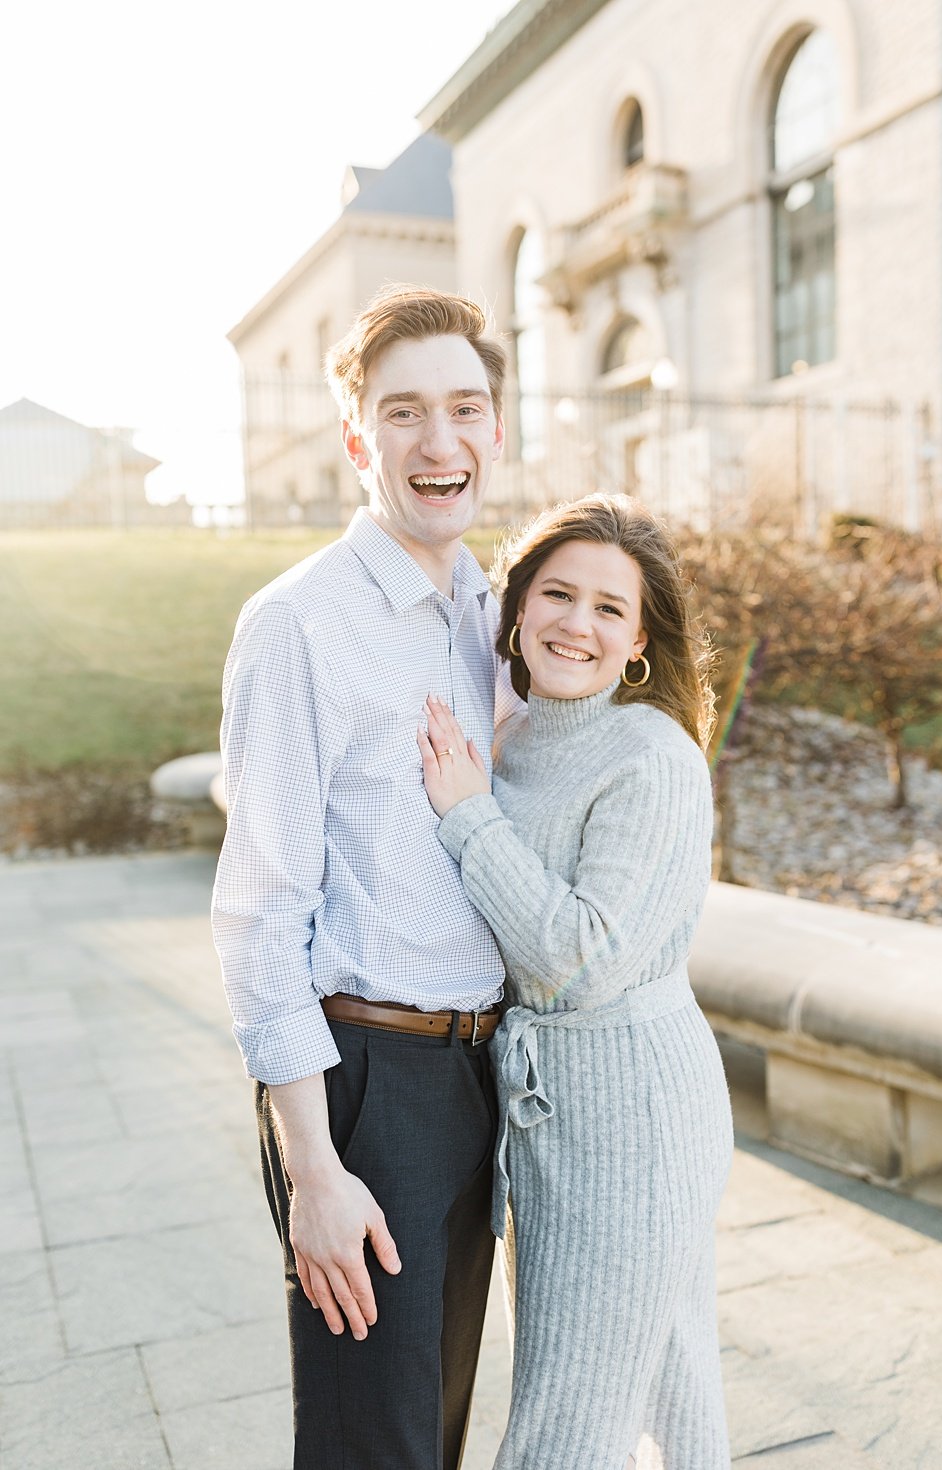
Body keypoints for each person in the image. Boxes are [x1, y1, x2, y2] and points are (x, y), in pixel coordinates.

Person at [212, 285, 514, 1470]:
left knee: (430, 1434)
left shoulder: (487, 608)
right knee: (368, 1452)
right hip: (362, 1087)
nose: (438, 443)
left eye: (464, 408)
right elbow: (256, 911)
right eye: (402, 414)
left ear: (495, 428)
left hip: (477, 1076)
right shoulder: (296, 625)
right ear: (357, 440)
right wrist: (314, 1172)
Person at [418, 493, 734, 1470]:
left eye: (607, 608)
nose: (576, 624)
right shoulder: (512, 741)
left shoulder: (651, 757)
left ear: (639, 639)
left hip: (627, 1121)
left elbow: (578, 964)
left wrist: (468, 818)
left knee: (565, 1423)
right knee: (668, 1389)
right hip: (555, 1111)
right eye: (556, 593)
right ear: (515, 612)